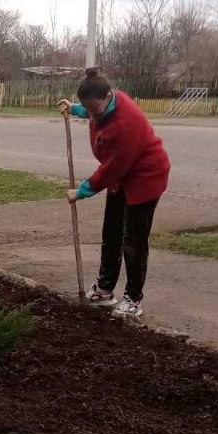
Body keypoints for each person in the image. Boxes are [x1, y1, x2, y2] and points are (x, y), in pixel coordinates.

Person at [58, 69, 171, 319]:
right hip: (122, 176)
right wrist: (76, 109)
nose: (92, 114)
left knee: (133, 241)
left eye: (94, 109)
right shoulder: (103, 106)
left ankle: (133, 299)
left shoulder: (125, 123)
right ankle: (105, 290)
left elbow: (112, 169)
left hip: (145, 176)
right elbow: (94, 113)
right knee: (111, 232)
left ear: (108, 96)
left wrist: (82, 191)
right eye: (88, 108)